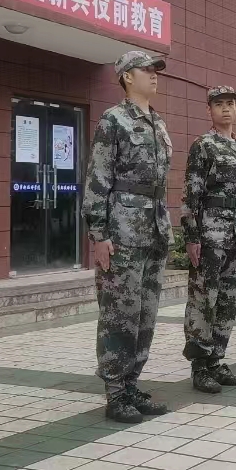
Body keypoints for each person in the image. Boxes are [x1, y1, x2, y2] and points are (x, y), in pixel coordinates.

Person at [82, 50, 173, 423]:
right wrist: (99, 234)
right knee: (119, 313)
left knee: (145, 314)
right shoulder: (113, 120)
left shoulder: (157, 123)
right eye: (146, 70)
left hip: (154, 230)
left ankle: (132, 384)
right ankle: (115, 392)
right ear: (126, 76)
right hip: (122, 232)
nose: (154, 75)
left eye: (155, 70)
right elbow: (97, 178)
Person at [181, 86, 236, 393]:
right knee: (203, 301)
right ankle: (199, 367)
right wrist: (191, 236)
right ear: (208, 110)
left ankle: (216, 360)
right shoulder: (203, 146)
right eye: (218, 104)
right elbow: (191, 194)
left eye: (230, 104)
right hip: (209, 236)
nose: (225, 109)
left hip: (233, 237)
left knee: (227, 301)